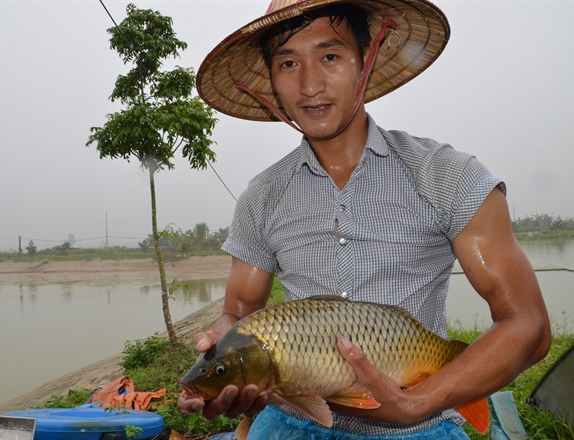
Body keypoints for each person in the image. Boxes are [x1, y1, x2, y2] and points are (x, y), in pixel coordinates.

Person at [179, 0, 551, 438]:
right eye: (287, 63)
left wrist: (418, 403)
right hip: (294, 420)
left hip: (421, 424)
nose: (310, 84)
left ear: (366, 59)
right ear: (271, 83)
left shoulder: (448, 175)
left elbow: (528, 324)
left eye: (330, 56)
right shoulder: (262, 197)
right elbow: (235, 315)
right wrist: (216, 352)